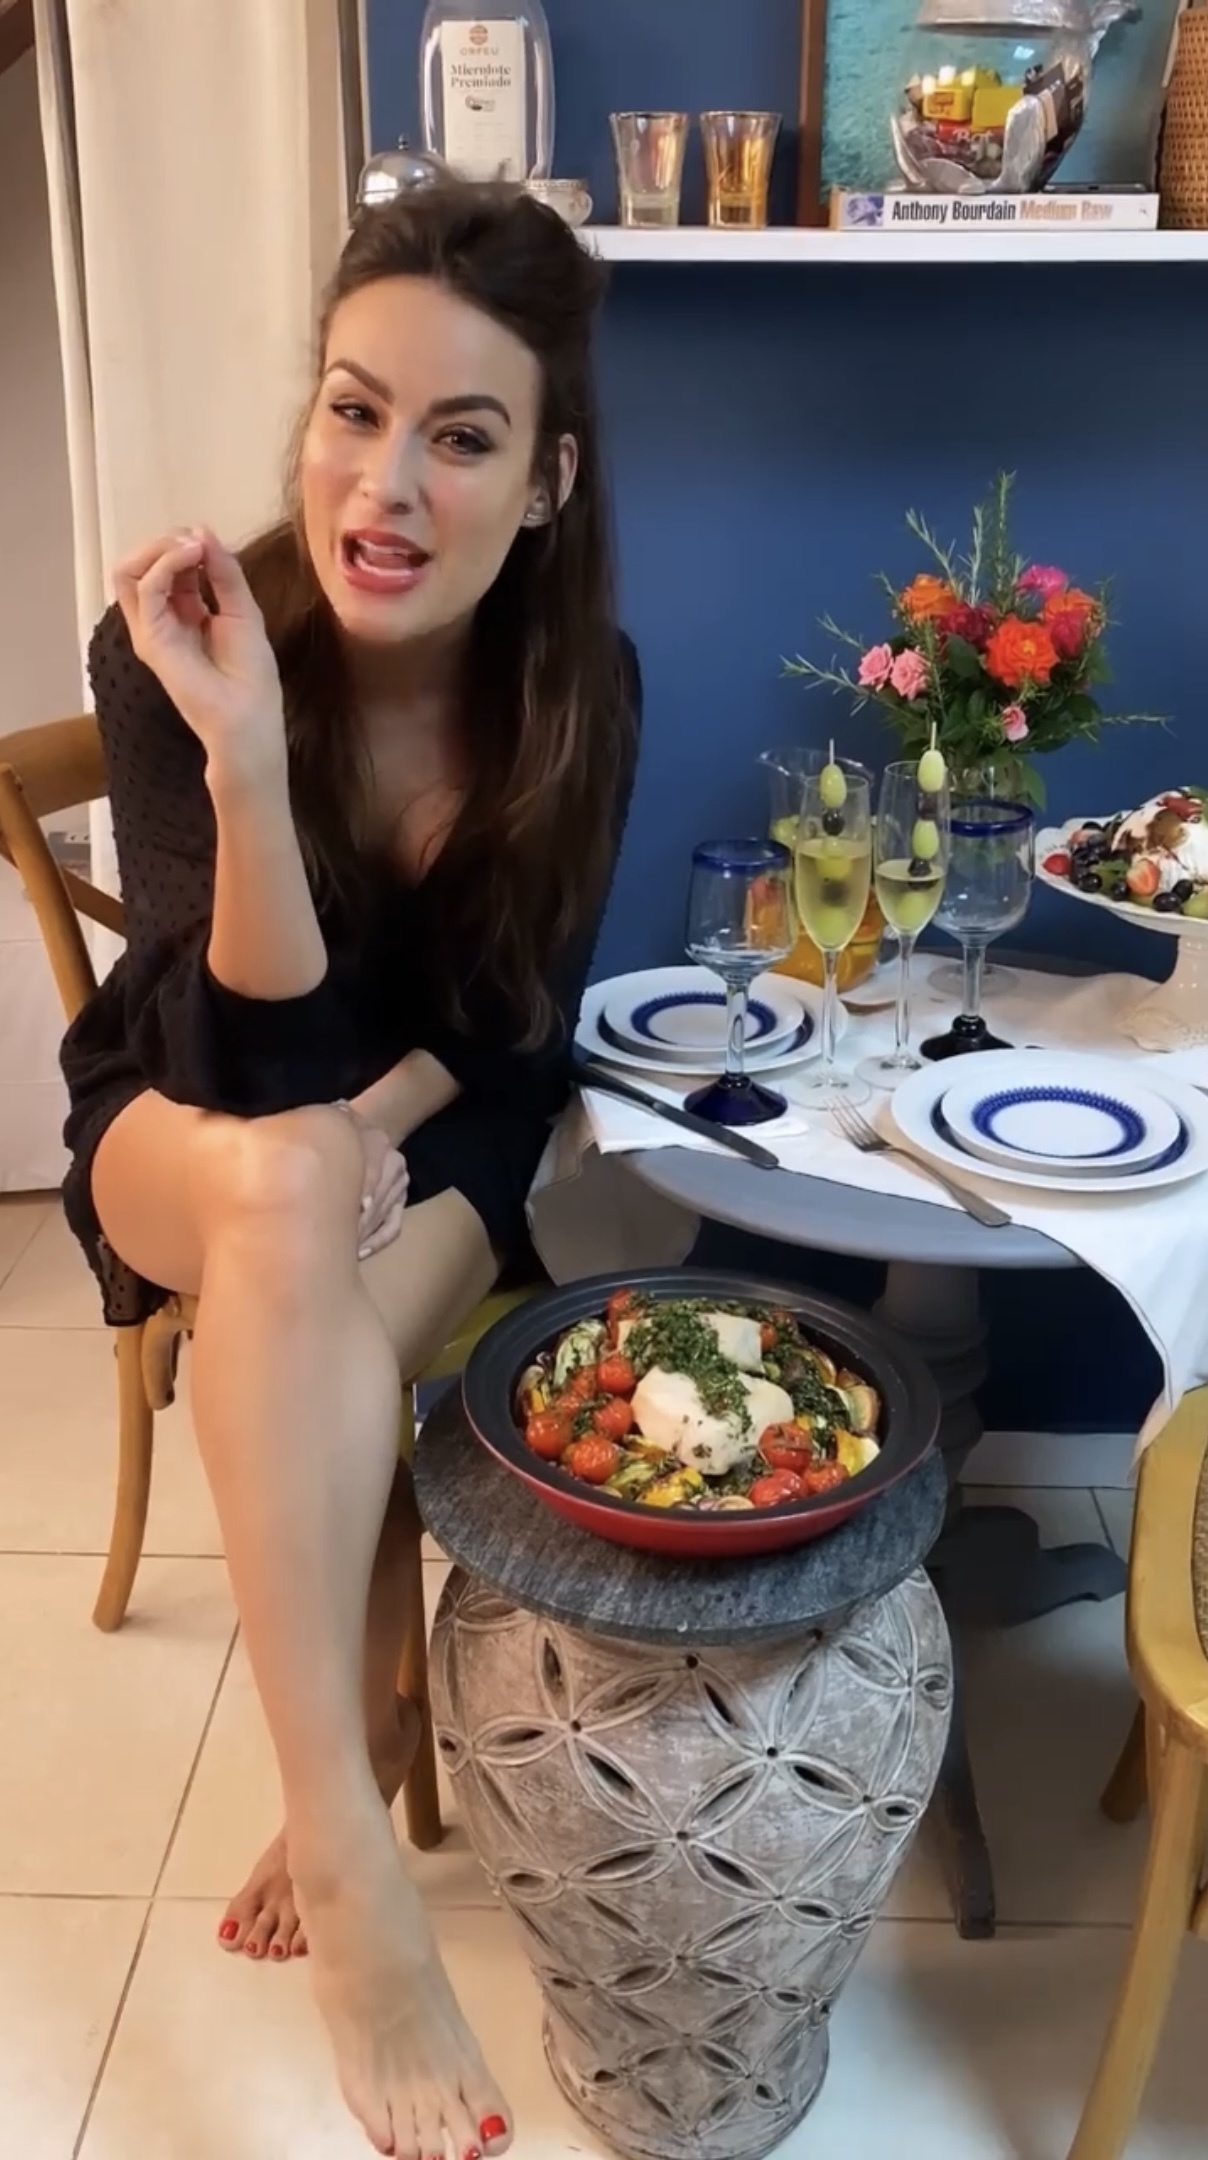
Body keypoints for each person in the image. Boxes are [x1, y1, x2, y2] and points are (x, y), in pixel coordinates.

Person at [59, 182, 640, 2160]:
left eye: (460, 437)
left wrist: (363, 1136)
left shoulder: (582, 685)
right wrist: (240, 756)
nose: (383, 488)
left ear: (547, 482)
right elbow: (230, 1067)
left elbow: (518, 1033)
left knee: (307, 1217)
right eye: (351, 409)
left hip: (426, 1126)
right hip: (179, 1115)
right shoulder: (175, 648)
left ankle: (348, 1767)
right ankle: (356, 1843)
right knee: (276, 1185)